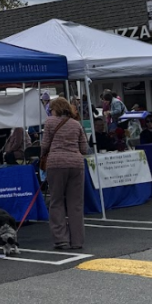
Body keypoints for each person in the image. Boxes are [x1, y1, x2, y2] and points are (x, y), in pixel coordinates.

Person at [40, 96, 88, 251]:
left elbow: (45, 145)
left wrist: (43, 155)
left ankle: (62, 240)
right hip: (76, 164)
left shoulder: (49, 122)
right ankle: (77, 241)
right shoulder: (76, 124)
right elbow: (84, 149)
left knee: (57, 201)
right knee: (75, 204)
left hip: (56, 164)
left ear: (55, 109)